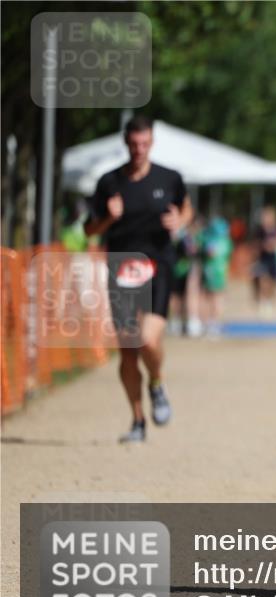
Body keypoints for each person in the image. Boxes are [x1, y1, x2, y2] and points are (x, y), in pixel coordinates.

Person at [84, 116, 193, 443]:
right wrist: (108, 218)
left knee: (148, 339)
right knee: (128, 351)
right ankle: (137, 421)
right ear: (126, 143)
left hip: (158, 266)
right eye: (133, 145)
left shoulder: (170, 178)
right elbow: (88, 230)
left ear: (152, 143)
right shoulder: (109, 182)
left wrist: (181, 220)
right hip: (121, 269)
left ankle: (156, 383)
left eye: (144, 144)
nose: (139, 150)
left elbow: (187, 210)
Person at [199, 215, 233, 338]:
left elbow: (208, 253)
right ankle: (212, 323)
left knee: (210, 298)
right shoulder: (225, 241)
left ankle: (209, 323)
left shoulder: (209, 239)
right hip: (218, 273)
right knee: (215, 298)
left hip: (211, 272)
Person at [252, 206, 276, 317]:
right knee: (262, 280)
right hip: (262, 259)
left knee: (273, 282)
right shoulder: (259, 231)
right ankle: (263, 302)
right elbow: (255, 245)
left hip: (273, 259)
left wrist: (275, 245)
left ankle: (271, 302)